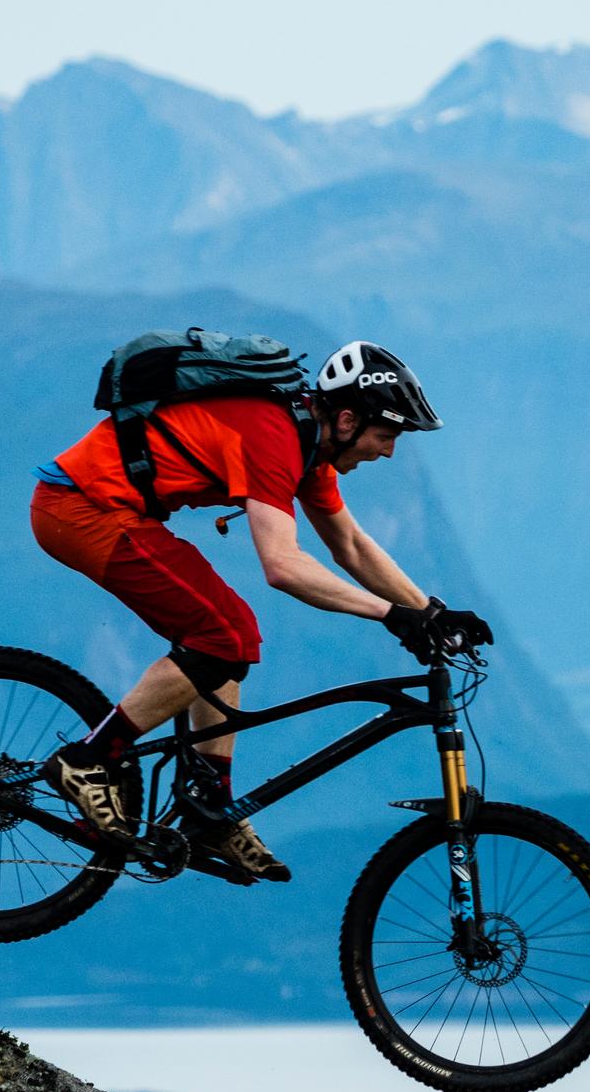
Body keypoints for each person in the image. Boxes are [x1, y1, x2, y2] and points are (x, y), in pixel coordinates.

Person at [28, 339, 488, 883]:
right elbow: (283, 566)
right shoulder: (273, 435)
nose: (388, 452)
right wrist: (390, 615)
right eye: (385, 435)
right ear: (346, 418)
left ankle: (210, 802)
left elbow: (352, 546)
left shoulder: (308, 446)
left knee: (227, 633)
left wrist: (430, 612)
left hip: (109, 511)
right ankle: (86, 760)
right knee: (226, 633)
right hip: (80, 508)